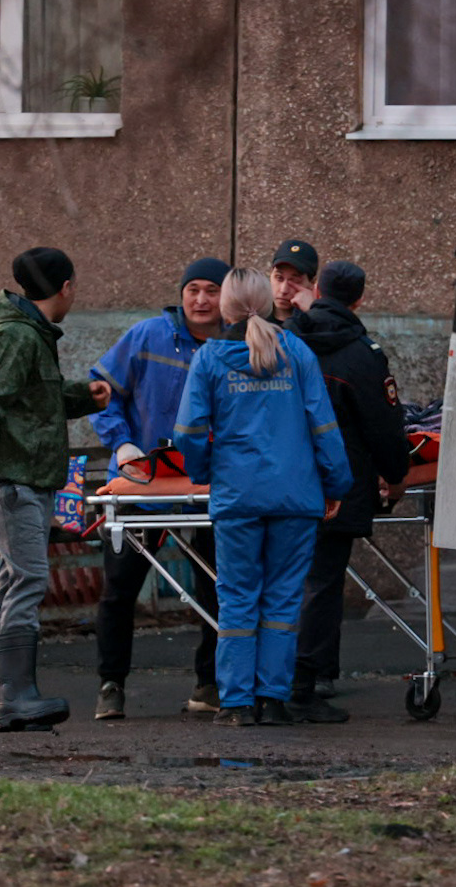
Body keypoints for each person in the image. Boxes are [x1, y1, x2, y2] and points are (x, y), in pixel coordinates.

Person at [173, 268, 352, 726]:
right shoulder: (297, 352)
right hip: (296, 496)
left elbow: (189, 432)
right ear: (270, 305)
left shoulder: (211, 358)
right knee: (283, 600)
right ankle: (272, 699)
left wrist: (203, 472)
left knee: (236, 599)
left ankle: (235, 703)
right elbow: (323, 426)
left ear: (225, 307)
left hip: (237, 497)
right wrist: (336, 485)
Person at [0, 247, 111, 732]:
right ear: (65, 288)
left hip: (22, 480)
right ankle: (16, 696)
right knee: (27, 579)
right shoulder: (18, 336)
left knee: (14, 581)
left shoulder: (28, 334)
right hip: (13, 483)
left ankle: (0, 700)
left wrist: (84, 395)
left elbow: (31, 399)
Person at [88, 256, 230, 720]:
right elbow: (100, 389)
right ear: (182, 292)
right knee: (120, 589)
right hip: (140, 482)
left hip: (209, 484)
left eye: (212, 290)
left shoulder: (236, 344)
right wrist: (123, 444)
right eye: (194, 289)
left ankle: (209, 683)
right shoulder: (148, 335)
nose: (202, 299)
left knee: (218, 586)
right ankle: (111, 684)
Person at [285, 261, 412, 722]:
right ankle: (306, 682)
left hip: (280, 480)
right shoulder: (363, 355)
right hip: (337, 484)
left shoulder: (285, 341)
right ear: (359, 299)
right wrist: (396, 475)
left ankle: (274, 680)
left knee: (277, 581)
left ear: (317, 290)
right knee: (322, 584)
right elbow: (384, 427)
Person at [269, 239, 319, 323]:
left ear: (312, 283)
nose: (284, 290)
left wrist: (312, 314)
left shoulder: (323, 324)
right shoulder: (253, 319)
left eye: (295, 281)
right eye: (279, 278)